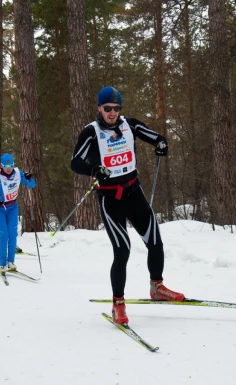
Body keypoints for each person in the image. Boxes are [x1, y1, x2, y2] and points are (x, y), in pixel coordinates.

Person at [70, 86, 185, 325]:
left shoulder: (130, 125)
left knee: (155, 240)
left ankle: (157, 287)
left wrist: (161, 144)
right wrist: (94, 169)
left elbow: (157, 137)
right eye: (107, 108)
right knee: (122, 250)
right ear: (99, 108)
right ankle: (118, 304)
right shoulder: (90, 132)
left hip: (133, 192)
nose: (112, 113)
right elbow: (75, 162)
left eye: (116, 108)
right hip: (110, 198)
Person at [0, 153, 36, 274]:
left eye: (11, 165)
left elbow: (32, 185)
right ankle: (2, 264)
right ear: (1, 165)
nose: (9, 168)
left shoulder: (17, 173)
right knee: (4, 235)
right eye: (6, 166)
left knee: (13, 234)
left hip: (12, 207)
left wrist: (29, 177)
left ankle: (11, 262)